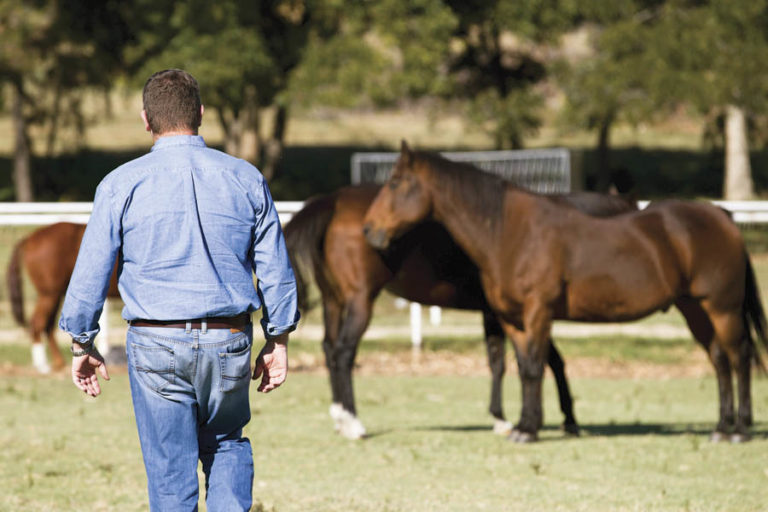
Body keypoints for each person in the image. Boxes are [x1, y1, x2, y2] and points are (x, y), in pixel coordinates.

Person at [58, 69, 299, 511]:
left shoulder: (119, 184)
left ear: (146, 120)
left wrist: (81, 342)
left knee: (170, 471)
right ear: (202, 115)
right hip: (228, 339)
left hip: (154, 341)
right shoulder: (246, 178)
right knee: (227, 444)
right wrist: (278, 338)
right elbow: (275, 269)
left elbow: (91, 270)